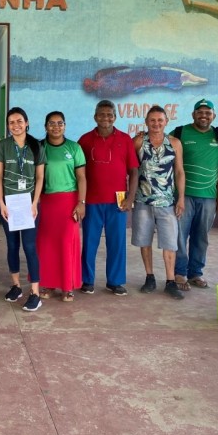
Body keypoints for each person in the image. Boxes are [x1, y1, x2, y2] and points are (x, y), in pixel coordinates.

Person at [77, 100, 139, 295]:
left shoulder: (125, 139)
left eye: (110, 115)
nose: (106, 118)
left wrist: (130, 198)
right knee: (89, 242)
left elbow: (134, 172)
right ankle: (87, 280)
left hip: (118, 201)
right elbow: (77, 173)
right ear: (95, 117)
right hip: (92, 201)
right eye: (102, 115)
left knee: (117, 242)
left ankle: (115, 281)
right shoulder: (85, 140)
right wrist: (80, 201)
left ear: (115, 117)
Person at [170, 98, 218, 291]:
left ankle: (195, 273)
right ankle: (180, 272)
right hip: (183, 196)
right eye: (200, 112)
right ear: (193, 114)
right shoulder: (180, 133)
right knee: (180, 235)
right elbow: (160, 144)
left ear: (214, 116)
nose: (204, 116)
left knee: (201, 237)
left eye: (208, 113)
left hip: (209, 197)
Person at [0, 107, 47, 312]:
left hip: (29, 204)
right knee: (12, 245)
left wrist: (34, 203)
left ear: (26, 123)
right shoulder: (3, 146)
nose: (15, 125)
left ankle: (35, 293)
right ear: (8, 126)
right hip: (9, 204)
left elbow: (40, 177)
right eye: (11, 122)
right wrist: (1, 203)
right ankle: (16, 286)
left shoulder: (36, 146)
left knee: (30, 247)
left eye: (19, 121)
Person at [132, 106, 186, 300]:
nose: (156, 124)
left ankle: (170, 281)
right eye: (152, 120)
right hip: (142, 200)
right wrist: (128, 197)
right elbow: (130, 170)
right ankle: (149, 277)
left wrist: (180, 198)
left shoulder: (174, 143)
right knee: (144, 240)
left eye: (160, 120)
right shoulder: (138, 141)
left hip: (167, 202)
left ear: (166, 122)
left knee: (170, 243)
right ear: (146, 122)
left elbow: (180, 171)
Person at [37, 111, 86, 302]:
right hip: (47, 202)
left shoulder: (74, 148)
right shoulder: (40, 147)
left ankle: (68, 286)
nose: (55, 127)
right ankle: (48, 283)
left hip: (69, 202)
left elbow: (82, 177)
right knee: (47, 244)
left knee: (67, 243)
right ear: (45, 126)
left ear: (65, 126)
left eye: (60, 123)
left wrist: (81, 202)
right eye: (51, 123)